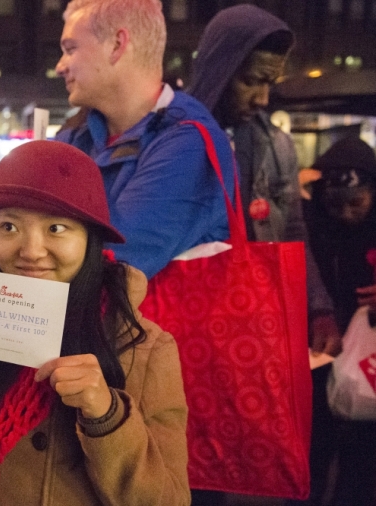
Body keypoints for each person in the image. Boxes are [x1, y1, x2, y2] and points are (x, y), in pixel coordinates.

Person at [0, 140, 190, 506]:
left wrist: (106, 416)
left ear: (89, 239)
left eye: (56, 228)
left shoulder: (143, 350)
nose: (29, 251)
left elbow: (169, 500)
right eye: (9, 226)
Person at [188, 7, 341, 504]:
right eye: (252, 81)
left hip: (251, 326)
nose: (262, 98)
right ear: (219, 68)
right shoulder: (174, 139)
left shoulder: (276, 145)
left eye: (269, 83)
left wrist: (315, 305)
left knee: (235, 461)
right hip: (188, 327)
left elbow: (293, 230)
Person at [54, 0, 235, 279]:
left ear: (117, 45)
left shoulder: (190, 143)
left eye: (70, 49)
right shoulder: (78, 133)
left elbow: (117, 259)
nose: (60, 66)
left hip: (159, 322)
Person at [303, 136, 376, 506]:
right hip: (318, 355)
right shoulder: (309, 229)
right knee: (312, 450)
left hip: (370, 361)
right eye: (335, 205)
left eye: (357, 203)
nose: (346, 214)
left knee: (363, 459)